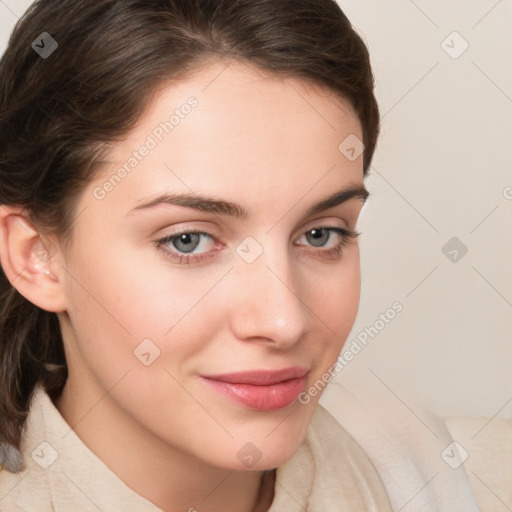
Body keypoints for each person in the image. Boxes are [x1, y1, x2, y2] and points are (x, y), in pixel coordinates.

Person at [0, 1, 495, 511]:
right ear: (36, 256)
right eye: (187, 240)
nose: (284, 321)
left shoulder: (418, 467)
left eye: (321, 234)